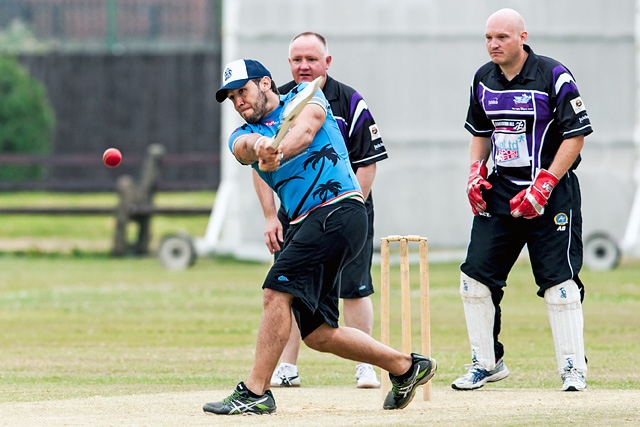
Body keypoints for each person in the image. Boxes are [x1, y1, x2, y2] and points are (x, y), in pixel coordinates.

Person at [203, 58, 436, 415]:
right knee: (318, 334)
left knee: (275, 293)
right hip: (308, 222)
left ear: (265, 83)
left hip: (337, 210)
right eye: (232, 98)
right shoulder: (241, 132)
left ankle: (255, 392)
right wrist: (260, 149)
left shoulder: (306, 96)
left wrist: (279, 151)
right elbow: (244, 148)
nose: (239, 102)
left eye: (243, 92)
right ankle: (406, 366)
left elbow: (307, 130)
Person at [452, 8, 592, 393]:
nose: (493, 45)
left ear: (522, 37)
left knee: (559, 283)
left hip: (552, 193)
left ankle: (572, 369)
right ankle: (486, 363)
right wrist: (475, 172)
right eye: (488, 38)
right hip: (502, 192)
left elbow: (576, 135)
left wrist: (545, 184)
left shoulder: (552, 74)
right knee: (474, 279)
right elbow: (481, 131)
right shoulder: (483, 78)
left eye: (502, 37)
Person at [251, 32, 387, 389]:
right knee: (296, 301)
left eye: (311, 59)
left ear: (327, 62)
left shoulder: (347, 100)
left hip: (340, 212)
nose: (303, 66)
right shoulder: (275, 100)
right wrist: (269, 216)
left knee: (354, 288)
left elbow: (366, 162)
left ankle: (365, 367)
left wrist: (348, 201)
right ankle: (287, 367)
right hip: (295, 218)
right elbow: (259, 168)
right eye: (297, 60)